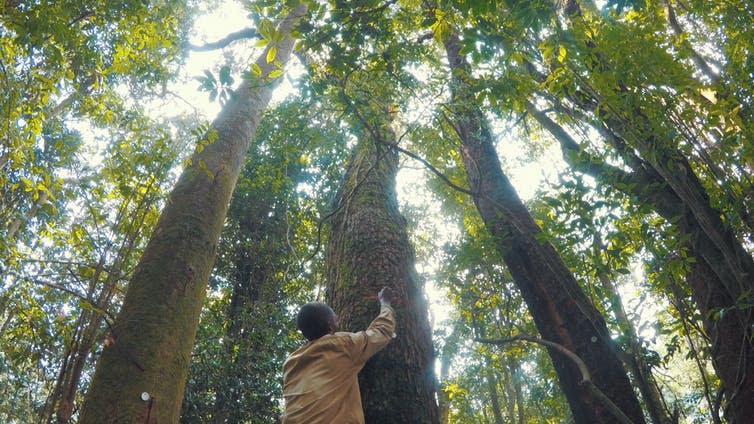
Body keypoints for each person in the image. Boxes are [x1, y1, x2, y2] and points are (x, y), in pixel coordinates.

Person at [281, 287, 397, 424]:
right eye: (336, 321)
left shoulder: (290, 364)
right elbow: (382, 331)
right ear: (330, 326)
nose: (338, 325)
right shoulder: (341, 345)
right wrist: (385, 302)